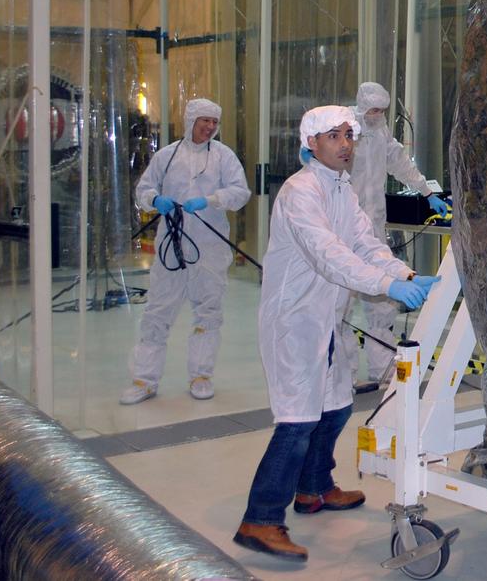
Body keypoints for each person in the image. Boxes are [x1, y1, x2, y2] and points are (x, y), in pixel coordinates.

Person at [233, 105, 439, 561]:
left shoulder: (341, 189)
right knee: (297, 420)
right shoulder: (300, 192)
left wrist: (403, 275)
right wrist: (384, 285)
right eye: (335, 136)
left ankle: (314, 489)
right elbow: (330, 255)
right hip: (294, 322)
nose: (346, 144)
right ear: (311, 143)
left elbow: (365, 244)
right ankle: (261, 518)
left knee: (337, 405)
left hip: (325, 317)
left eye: (350, 135)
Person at [121, 97, 250, 404]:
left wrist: (212, 199)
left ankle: (201, 375)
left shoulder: (223, 156)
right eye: (204, 120)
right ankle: (145, 379)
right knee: (157, 311)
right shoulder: (167, 155)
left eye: (214, 122)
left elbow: (240, 191)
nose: (210, 127)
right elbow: (144, 189)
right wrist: (156, 201)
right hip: (172, 243)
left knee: (208, 311)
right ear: (191, 120)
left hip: (210, 246)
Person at [346, 81, 449, 389]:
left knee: (382, 303)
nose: (377, 116)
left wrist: (427, 191)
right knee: (342, 304)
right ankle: (343, 375)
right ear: (362, 107)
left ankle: (384, 369)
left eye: (382, 111)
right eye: (373, 111)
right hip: (343, 229)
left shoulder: (380, 134)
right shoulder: (344, 132)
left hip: (373, 229)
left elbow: (401, 164)